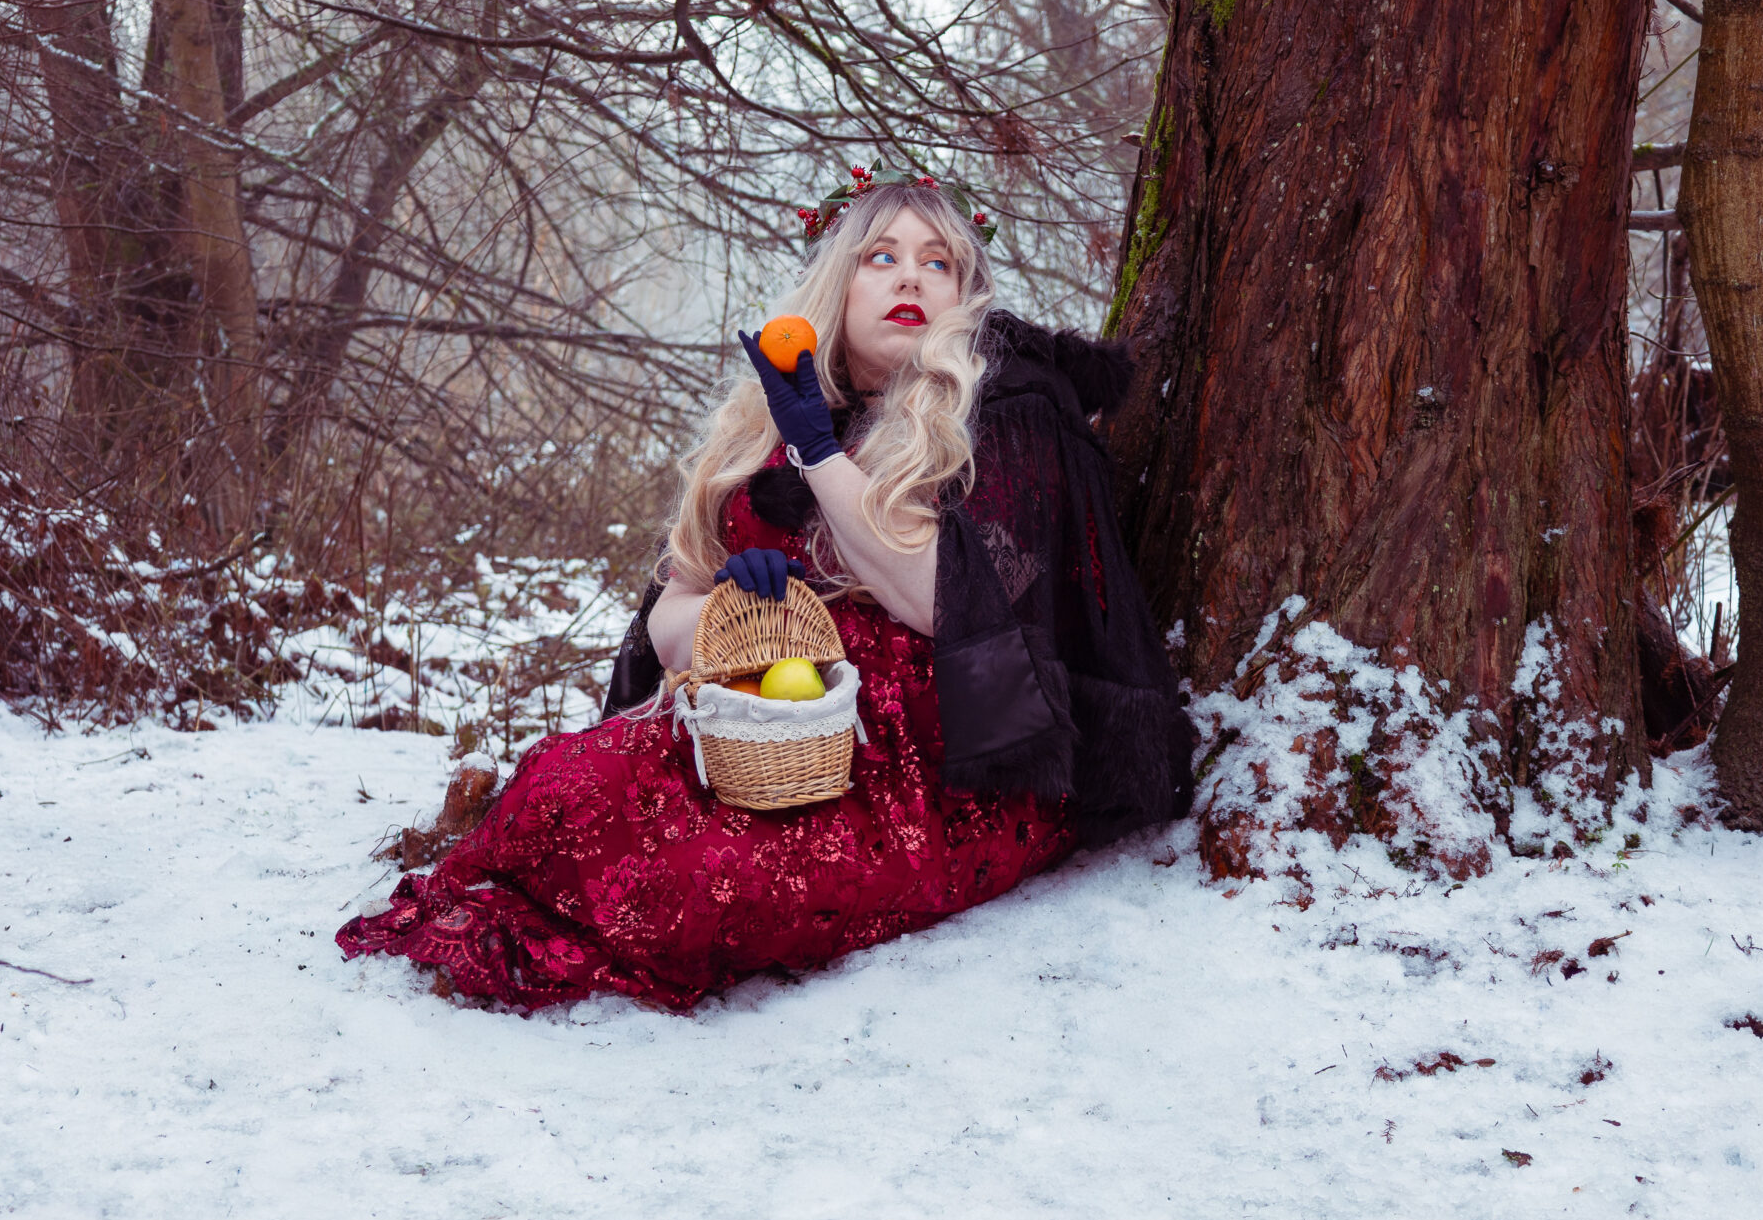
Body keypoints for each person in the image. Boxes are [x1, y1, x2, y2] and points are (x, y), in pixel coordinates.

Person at [334, 164, 1191, 1011]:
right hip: (748, 729)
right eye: (880, 256)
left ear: (965, 293)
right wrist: (731, 609)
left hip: (937, 768)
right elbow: (668, 618)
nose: (909, 279)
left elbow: (950, 604)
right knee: (554, 798)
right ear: (838, 278)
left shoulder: (1002, 409)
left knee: (690, 884)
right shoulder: (766, 417)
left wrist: (821, 458)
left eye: (939, 262)